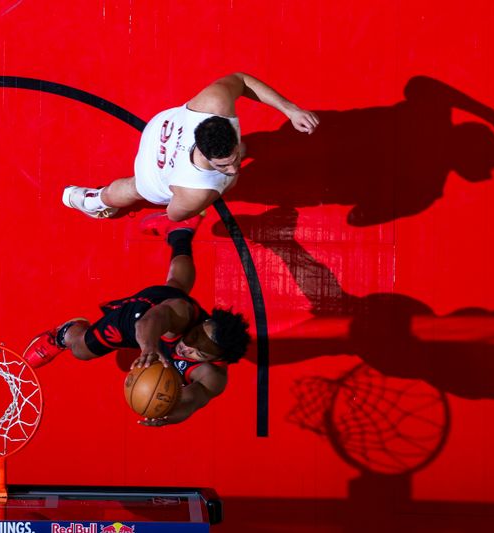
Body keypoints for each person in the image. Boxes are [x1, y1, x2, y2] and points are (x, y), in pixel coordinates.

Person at [22, 214, 251, 426]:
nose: (187, 346)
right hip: (143, 317)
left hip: (165, 313)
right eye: (193, 337)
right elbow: (148, 322)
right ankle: (64, 334)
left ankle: (180, 232)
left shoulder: (213, 377)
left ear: (216, 360)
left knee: (176, 286)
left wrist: (169, 412)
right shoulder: (184, 315)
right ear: (204, 323)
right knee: (82, 351)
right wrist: (149, 348)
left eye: (198, 353)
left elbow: (192, 401)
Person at [62, 72, 320, 222]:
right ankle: (93, 199)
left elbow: (240, 79)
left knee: (236, 158)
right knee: (134, 188)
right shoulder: (195, 191)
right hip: (155, 168)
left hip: (165, 125)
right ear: (206, 153)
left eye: (233, 158)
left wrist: (291, 110)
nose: (232, 167)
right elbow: (174, 215)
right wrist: (222, 186)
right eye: (224, 165)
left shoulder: (216, 103)